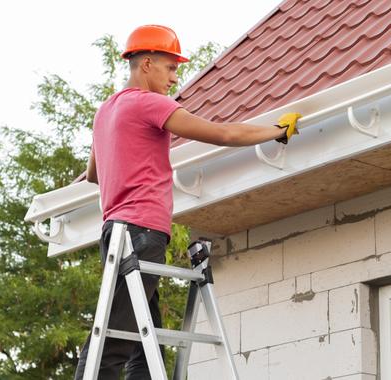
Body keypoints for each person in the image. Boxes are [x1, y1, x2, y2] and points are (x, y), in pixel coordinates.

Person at [74, 24, 300, 379]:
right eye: (171, 67)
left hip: (115, 237)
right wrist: (277, 130)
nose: (174, 77)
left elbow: (93, 174)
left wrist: (129, 163)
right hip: (141, 233)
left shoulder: (106, 112)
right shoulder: (149, 103)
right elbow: (223, 133)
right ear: (146, 63)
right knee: (111, 346)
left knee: (142, 346)